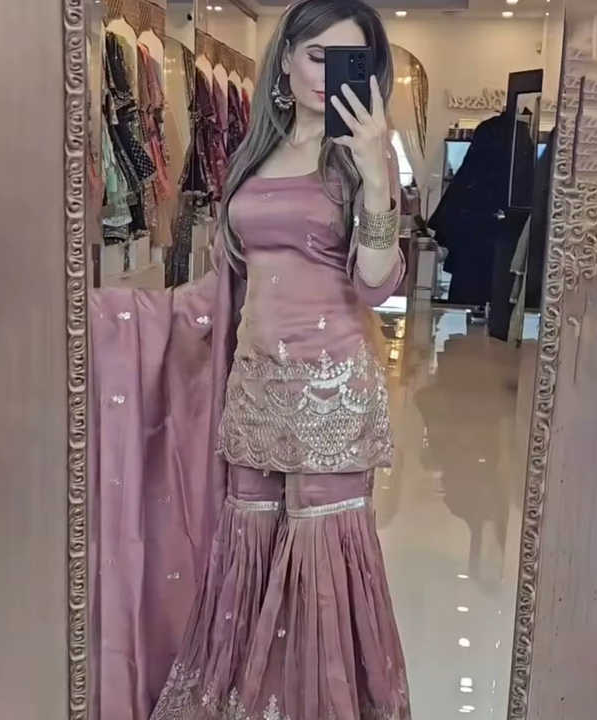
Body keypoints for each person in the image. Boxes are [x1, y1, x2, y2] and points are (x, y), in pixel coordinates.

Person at [150, 1, 410, 718]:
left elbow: (377, 285)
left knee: (321, 564)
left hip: (332, 390)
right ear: (286, 57)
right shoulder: (253, 151)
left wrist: (377, 179)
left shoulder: (361, 156)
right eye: (317, 56)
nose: (328, 75)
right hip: (256, 388)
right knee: (251, 549)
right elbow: (231, 277)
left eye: (349, 60)